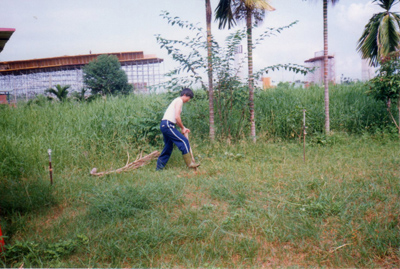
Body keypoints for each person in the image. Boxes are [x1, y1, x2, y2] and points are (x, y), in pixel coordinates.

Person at [156, 88, 200, 170]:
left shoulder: (176, 101)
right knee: (184, 141)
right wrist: (183, 128)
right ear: (184, 95)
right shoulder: (179, 101)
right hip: (168, 125)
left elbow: (175, 119)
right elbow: (177, 117)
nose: (188, 100)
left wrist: (183, 128)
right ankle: (190, 163)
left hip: (165, 124)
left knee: (168, 147)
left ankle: (159, 168)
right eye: (189, 98)